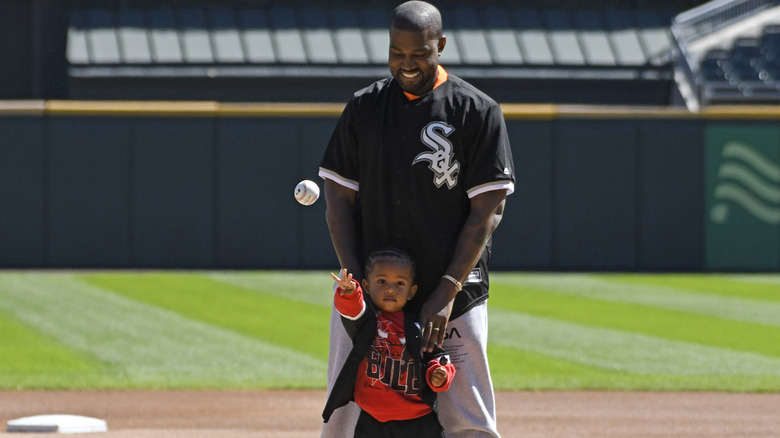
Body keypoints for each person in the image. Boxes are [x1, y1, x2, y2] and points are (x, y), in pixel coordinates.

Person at [318, 1, 515, 437]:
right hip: (374, 294)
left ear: (440, 46)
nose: (406, 64)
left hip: (455, 296)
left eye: (419, 54)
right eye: (397, 53)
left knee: (468, 420)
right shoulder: (365, 107)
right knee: (344, 418)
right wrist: (357, 284)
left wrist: (446, 292)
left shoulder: (476, 111)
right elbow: (337, 196)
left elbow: (489, 210)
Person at [322, 247, 457, 437]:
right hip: (372, 419)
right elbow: (353, 311)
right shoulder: (367, 323)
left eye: (400, 283)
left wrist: (439, 373)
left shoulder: (418, 325)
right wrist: (351, 292)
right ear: (367, 287)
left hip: (418, 419)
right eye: (381, 281)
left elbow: (438, 356)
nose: (390, 288)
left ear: (412, 291)